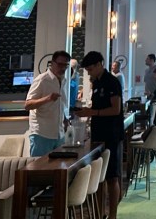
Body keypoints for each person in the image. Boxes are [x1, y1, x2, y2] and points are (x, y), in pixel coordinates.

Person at [73, 51, 124, 219]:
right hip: (98, 134)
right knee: (98, 175)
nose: (89, 73)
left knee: (111, 176)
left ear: (99, 64)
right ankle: (101, 212)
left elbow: (115, 109)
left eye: (90, 69)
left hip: (111, 134)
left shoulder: (112, 82)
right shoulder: (96, 83)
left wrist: (92, 112)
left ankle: (113, 214)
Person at [24, 49, 72, 156]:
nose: (63, 68)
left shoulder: (64, 80)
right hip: (42, 134)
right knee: (38, 165)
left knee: (58, 165)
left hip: (59, 134)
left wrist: (65, 120)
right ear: (52, 63)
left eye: (65, 65)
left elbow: (60, 105)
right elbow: (28, 105)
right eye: (60, 64)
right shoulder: (42, 80)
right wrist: (47, 98)